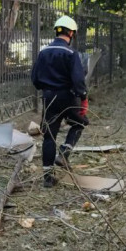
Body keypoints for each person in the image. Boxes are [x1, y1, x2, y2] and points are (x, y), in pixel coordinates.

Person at [31, 15, 89, 187]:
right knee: (79, 124)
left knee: (49, 136)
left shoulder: (43, 52)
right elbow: (78, 80)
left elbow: (35, 78)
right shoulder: (71, 53)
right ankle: (63, 153)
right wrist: (83, 96)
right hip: (69, 98)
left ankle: (48, 178)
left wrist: (46, 88)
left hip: (49, 98)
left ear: (56, 31)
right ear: (71, 33)